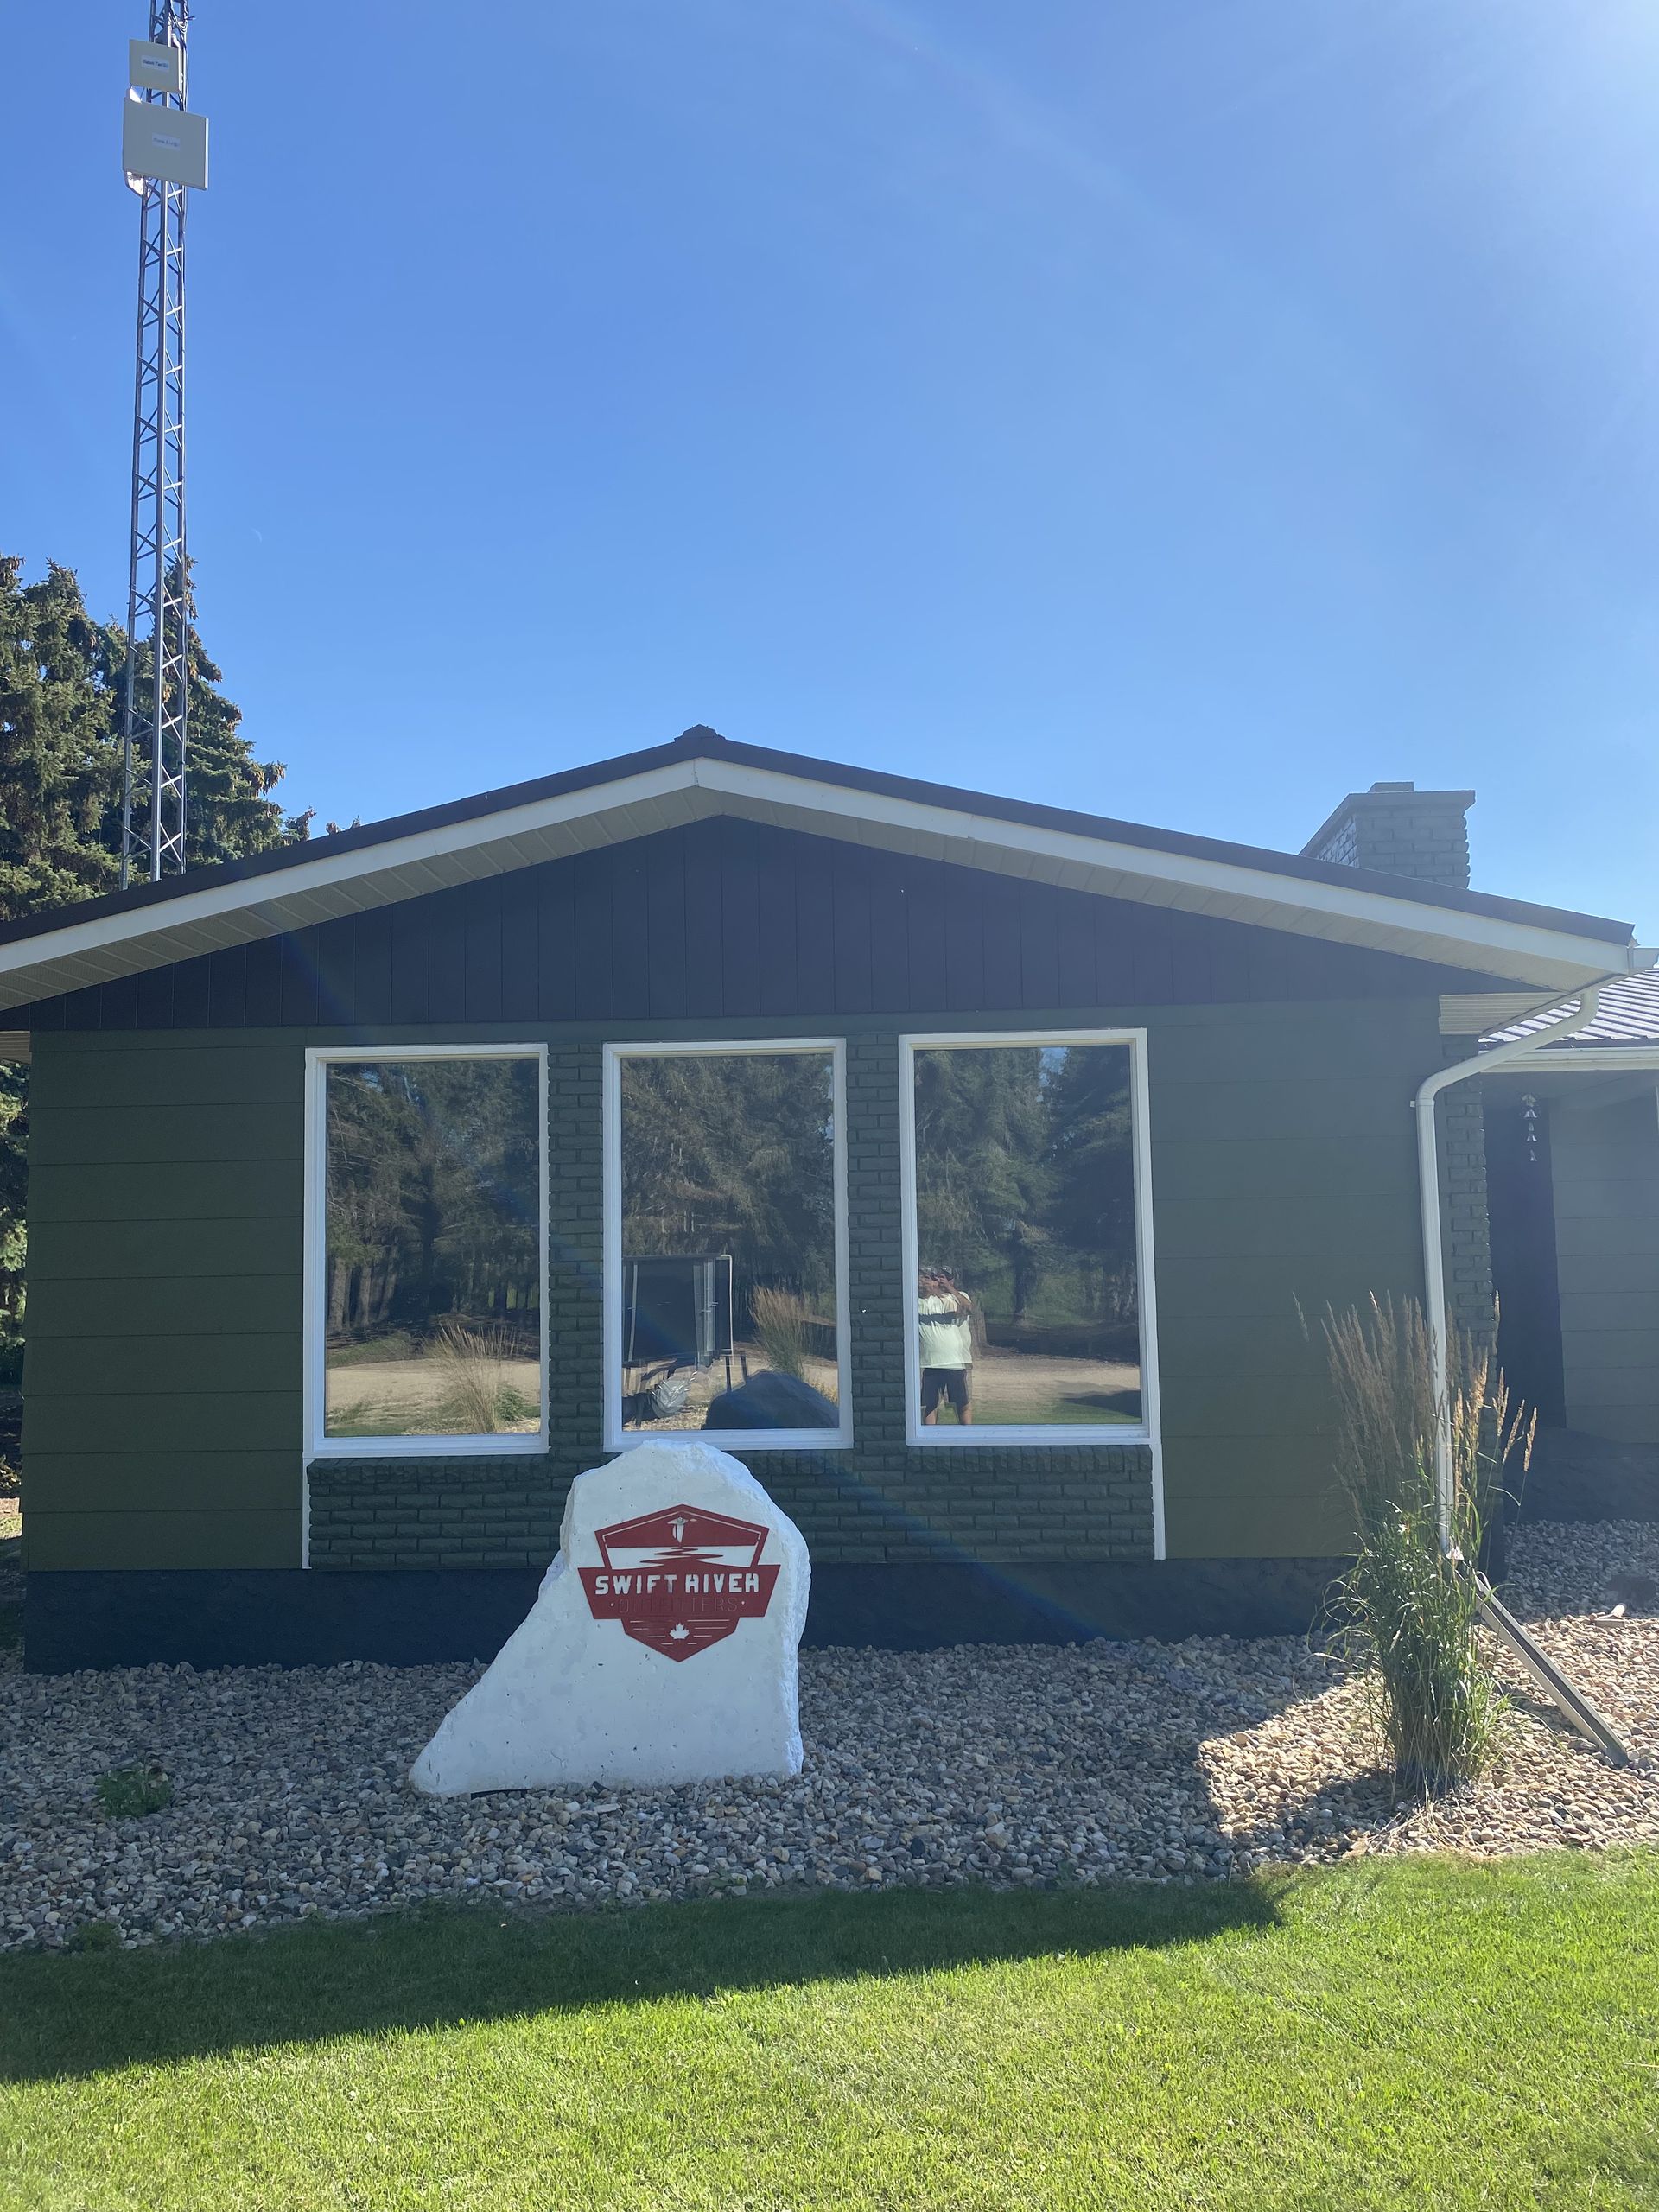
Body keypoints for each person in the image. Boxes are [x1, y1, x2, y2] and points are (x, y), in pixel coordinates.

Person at [917, 1264, 974, 1424]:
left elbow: (966, 1309)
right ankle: (929, 1439)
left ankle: (967, 1437)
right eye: (936, 1278)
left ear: (952, 1281)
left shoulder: (956, 1296)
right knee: (929, 1405)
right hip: (931, 1363)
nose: (939, 1281)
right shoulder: (920, 1301)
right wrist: (929, 1289)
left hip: (955, 1361)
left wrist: (944, 1289)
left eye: (944, 1278)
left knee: (962, 1403)